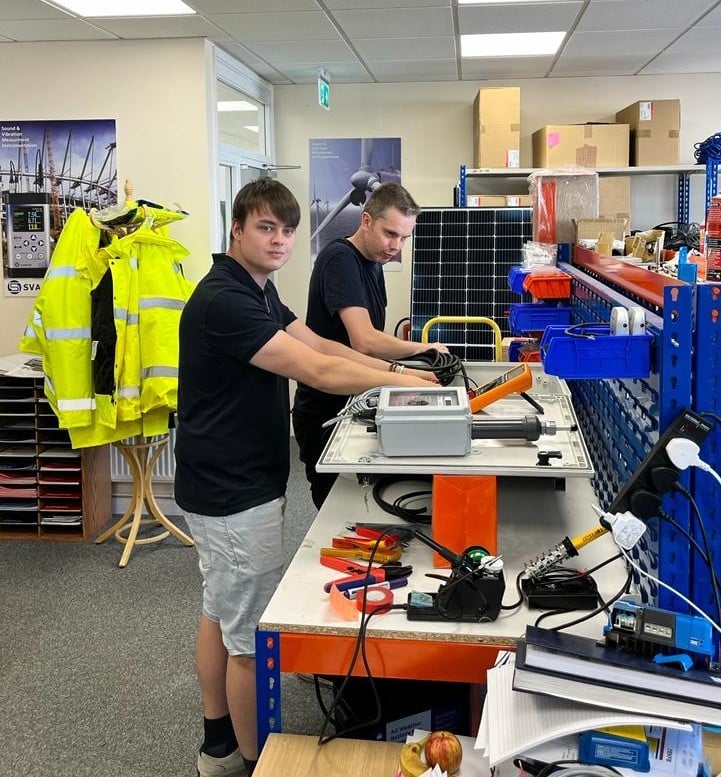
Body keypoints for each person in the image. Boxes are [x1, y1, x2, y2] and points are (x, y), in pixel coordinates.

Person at [174, 178, 436, 777]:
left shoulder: (258, 291)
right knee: (250, 640)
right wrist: (403, 380)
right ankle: (251, 761)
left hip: (234, 481)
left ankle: (217, 742)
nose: (279, 241)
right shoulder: (225, 300)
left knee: (221, 610)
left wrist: (400, 366)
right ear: (237, 229)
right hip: (231, 490)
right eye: (266, 227)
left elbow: (320, 343)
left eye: (287, 231)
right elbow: (316, 370)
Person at [293, 182, 448, 509]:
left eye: (404, 238)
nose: (396, 246)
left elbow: (374, 340)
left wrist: (407, 365)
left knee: (368, 503)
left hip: (356, 398)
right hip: (327, 411)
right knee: (337, 509)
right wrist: (418, 350)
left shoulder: (374, 263)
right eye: (390, 234)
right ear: (366, 221)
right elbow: (364, 340)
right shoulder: (339, 259)